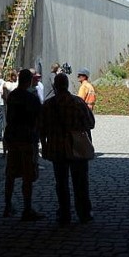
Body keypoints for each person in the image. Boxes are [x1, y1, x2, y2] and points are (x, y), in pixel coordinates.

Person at [39, 72, 95, 226]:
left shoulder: (49, 105)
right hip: (76, 147)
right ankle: (84, 213)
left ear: (55, 86)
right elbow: (90, 123)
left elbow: (41, 128)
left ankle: (64, 214)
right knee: (81, 182)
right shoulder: (77, 102)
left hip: (57, 148)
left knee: (61, 183)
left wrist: (44, 146)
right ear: (67, 85)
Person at [3, 69, 45, 221]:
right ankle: (27, 208)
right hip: (27, 139)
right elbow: (39, 120)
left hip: (13, 138)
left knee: (11, 174)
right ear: (29, 81)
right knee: (27, 175)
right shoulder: (31, 98)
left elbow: (9, 118)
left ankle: (7, 205)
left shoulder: (12, 96)